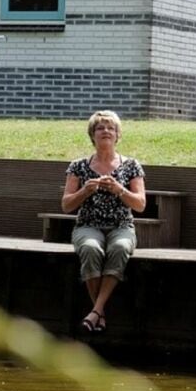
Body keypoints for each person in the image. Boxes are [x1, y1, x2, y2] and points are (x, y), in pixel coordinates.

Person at [61, 110, 146, 333]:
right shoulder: (78, 166)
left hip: (121, 226)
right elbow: (66, 205)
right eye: (100, 128)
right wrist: (85, 192)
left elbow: (140, 204)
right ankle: (99, 312)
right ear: (92, 134)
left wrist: (119, 190)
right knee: (90, 248)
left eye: (111, 128)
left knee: (120, 247)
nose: (106, 131)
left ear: (118, 135)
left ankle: (95, 311)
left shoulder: (131, 165)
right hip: (88, 225)